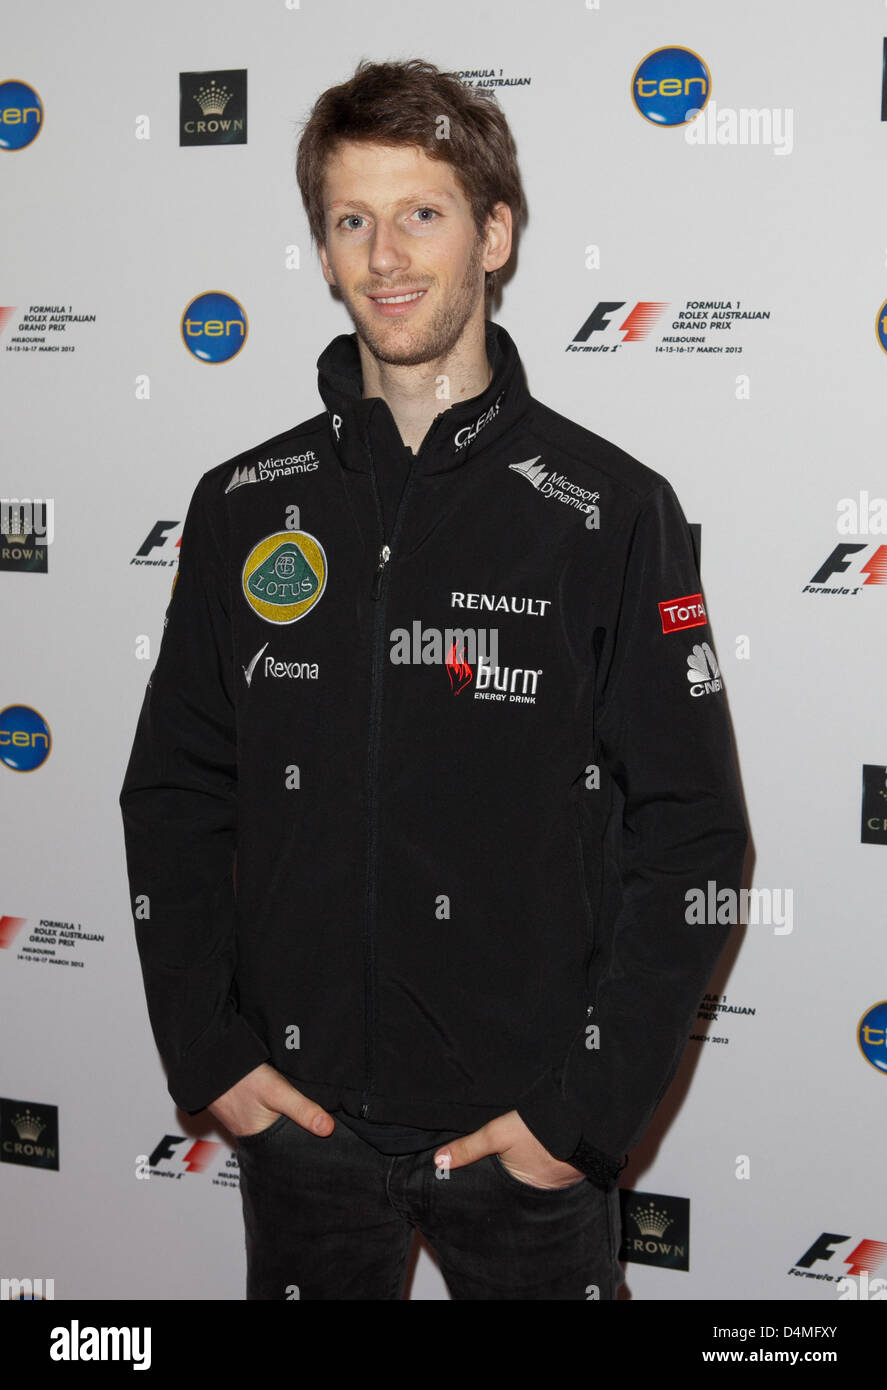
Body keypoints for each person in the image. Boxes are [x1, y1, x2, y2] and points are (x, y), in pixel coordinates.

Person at [119, 57, 748, 1301]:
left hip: (522, 1138)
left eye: (422, 213)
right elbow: (175, 795)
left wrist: (582, 1113)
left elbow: (694, 837)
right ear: (322, 247)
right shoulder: (244, 503)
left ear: (493, 233)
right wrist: (208, 1050)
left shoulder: (610, 511)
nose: (385, 255)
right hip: (301, 1129)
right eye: (351, 220)